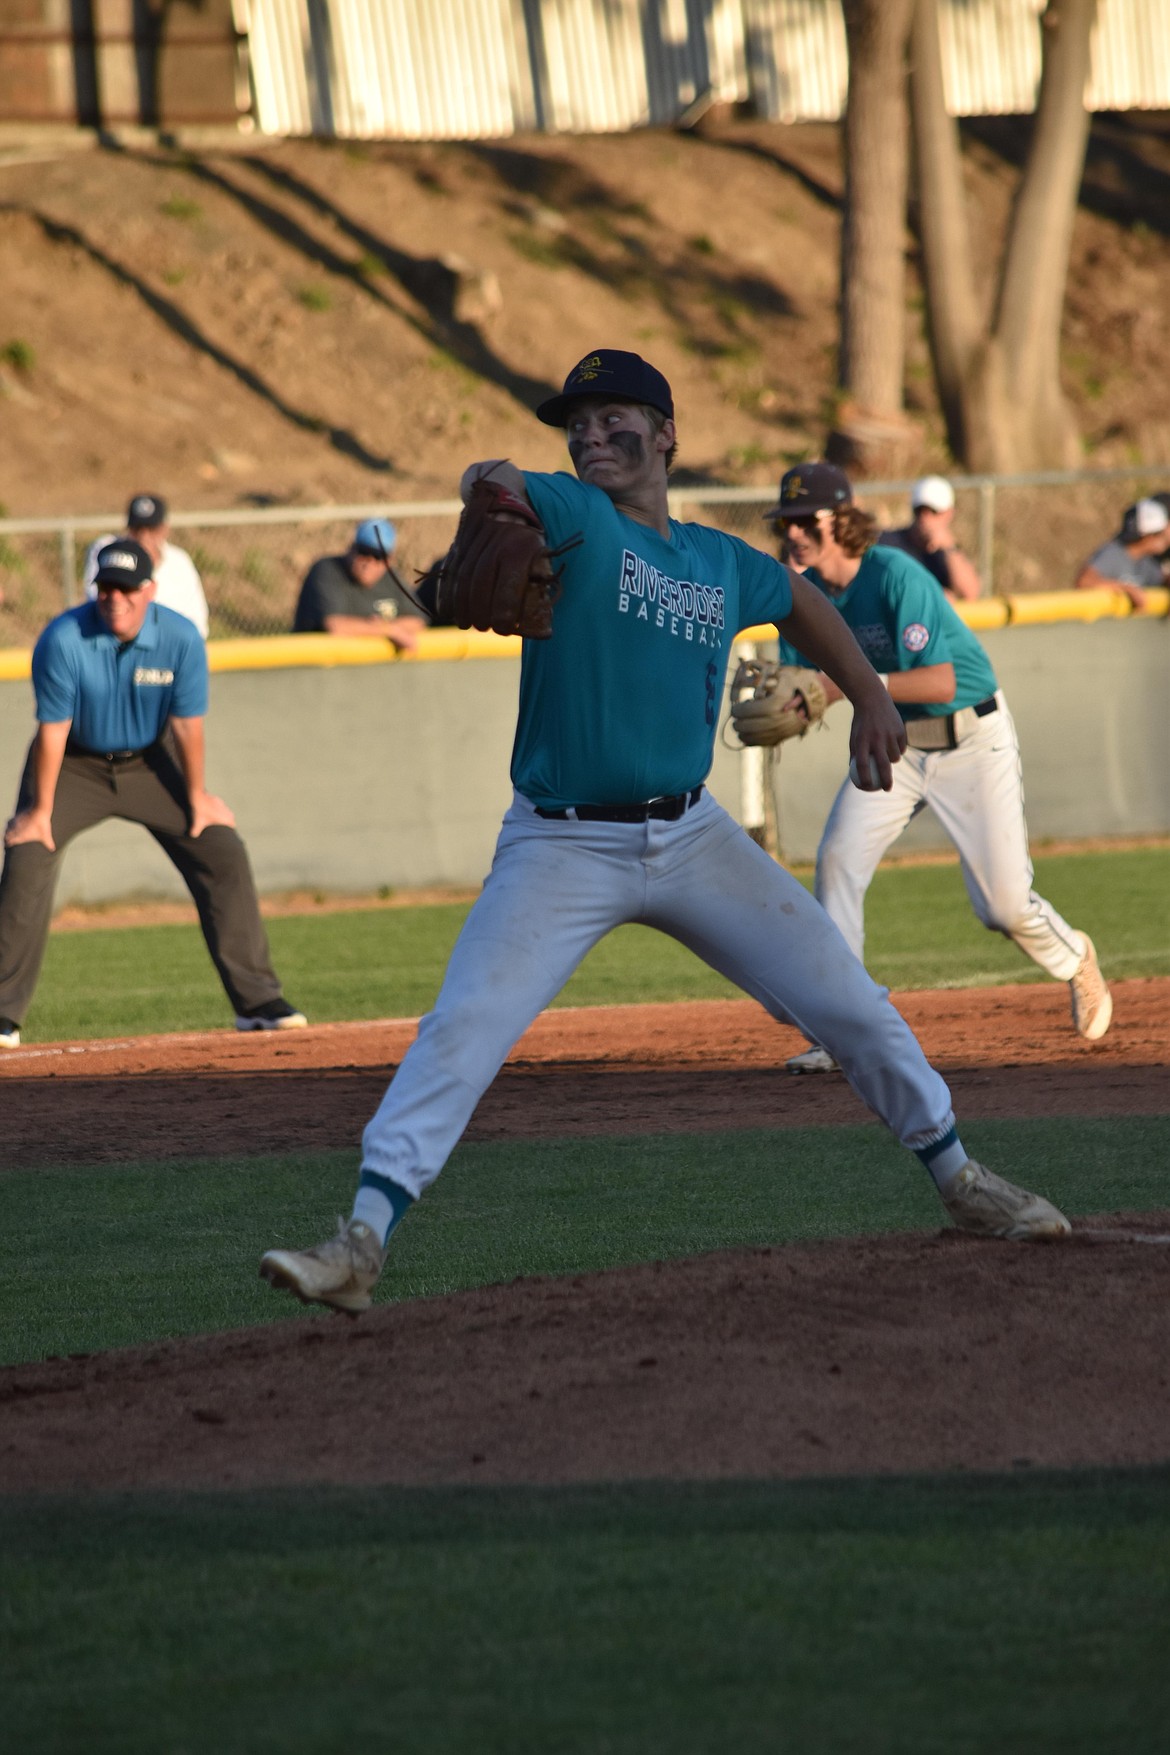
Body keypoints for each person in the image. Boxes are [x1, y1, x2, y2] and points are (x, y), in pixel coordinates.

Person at [258, 348, 1071, 1317]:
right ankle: (361, 1242)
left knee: (848, 1003)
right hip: (561, 845)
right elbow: (495, 477)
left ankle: (960, 1179)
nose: (594, 435)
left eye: (616, 419)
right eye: (580, 424)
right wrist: (493, 495)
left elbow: (802, 602)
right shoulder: (579, 515)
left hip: (692, 838)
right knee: (465, 1028)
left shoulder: (718, 561)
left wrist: (867, 696)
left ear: (668, 435)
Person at [756, 461, 1112, 1076]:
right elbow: (804, 683)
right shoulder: (801, 594)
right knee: (838, 860)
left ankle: (1076, 957)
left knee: (1001, 907)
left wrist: (850, 688)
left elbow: (940, 679)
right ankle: (842, 1029)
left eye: (802, 519)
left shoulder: (894, 574)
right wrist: (792, 704)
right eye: (784, 521)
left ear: (840, 518)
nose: (791, 533)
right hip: (897, 744)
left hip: (970, 736)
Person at [0, 539, 305, 1051]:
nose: (114, 598)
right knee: (28, 855)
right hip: (74, 762)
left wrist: (198, 798)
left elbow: (187, 727)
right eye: (105, 588)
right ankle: (3, 1014)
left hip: (151, 759)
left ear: (150, 590)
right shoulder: (63, 638)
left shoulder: (180, 639)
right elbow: (52, 731)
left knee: (222, 849)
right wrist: (39, 813)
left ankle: (257, 1003)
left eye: (126, 588)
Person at [83, 493, 210, 639]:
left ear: (164, 529)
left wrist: (151, 564)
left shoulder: (179, 561)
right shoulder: (107, 550)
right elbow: (95, 599)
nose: (143, 536)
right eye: (137, 529)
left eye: (151, 529)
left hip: (168, 648)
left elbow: (198, 623)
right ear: (127, 528)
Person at [292, 519, 428, 649]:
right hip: (315, 668)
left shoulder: (390, 577)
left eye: (378, 556)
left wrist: (380, 628)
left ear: (390, 559)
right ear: (351, 548)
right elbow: (336, 627)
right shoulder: (327, 570)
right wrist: (388, 629)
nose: (369, 562)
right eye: (364, 552)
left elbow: (418, 622)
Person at [878, 476, 981, 602]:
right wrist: (933, 596)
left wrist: (949, 546)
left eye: (934, 511)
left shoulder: (949, 553)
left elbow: (970, 593)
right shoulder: (887, 543)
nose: (925, 518)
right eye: (919, 510)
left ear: (949, 513)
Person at [1073, 499, 1170, 611]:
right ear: (1147, 536)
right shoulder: (1113, 553)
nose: (1165, 540)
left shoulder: (1144, 560)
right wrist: (1126, 589)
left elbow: (1162, 578)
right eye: (1160, 534)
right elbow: (1084, 582)